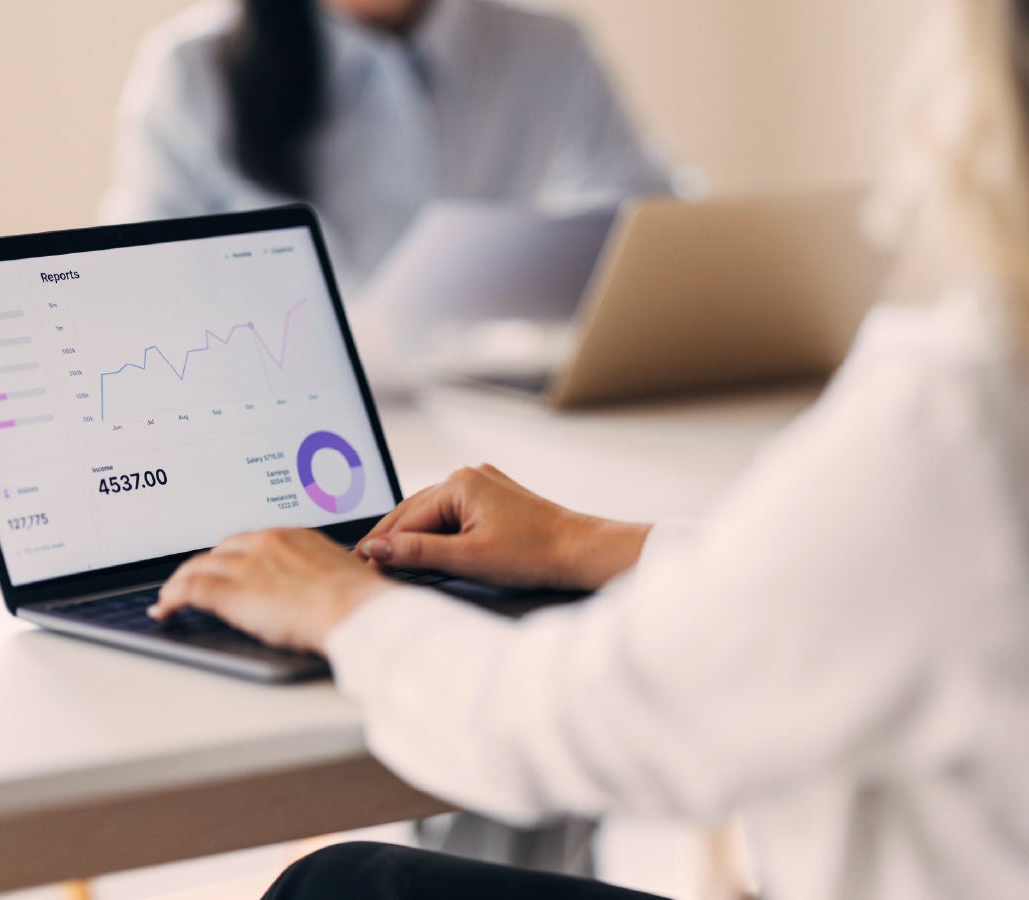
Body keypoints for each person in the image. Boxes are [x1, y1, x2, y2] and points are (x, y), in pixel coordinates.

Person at [148, 0, 1029, 896]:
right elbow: (859, 586)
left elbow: (569, 721)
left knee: (335, 888)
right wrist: (583, 543)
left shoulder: (963, 418)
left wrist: (340, 604)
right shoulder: (192, 74)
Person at [100, 0, 673, 296]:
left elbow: (656, 228)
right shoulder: (192, 69)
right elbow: (137, 286)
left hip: (483, 411)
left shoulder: (548, 48)